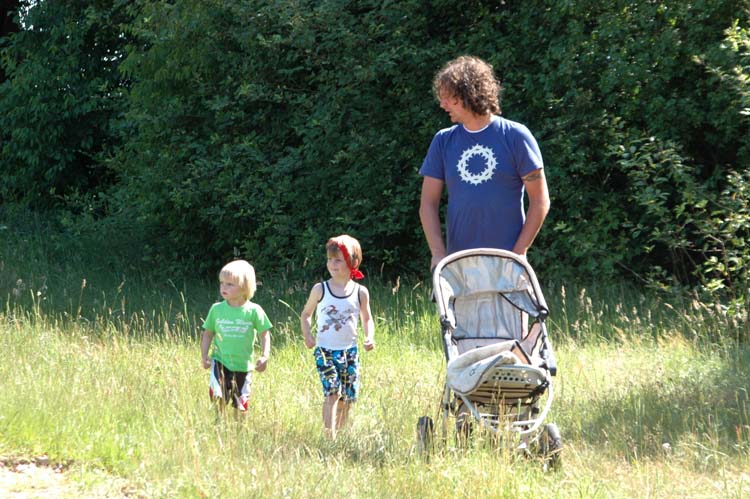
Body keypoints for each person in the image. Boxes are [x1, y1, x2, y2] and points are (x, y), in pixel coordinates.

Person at [419, 55, 550, 269]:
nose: (442, 104)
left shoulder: (516, 136)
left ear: (469, 94)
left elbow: (540, 201)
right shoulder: (443, 141)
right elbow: (428, 203)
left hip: (507, 264)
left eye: (449, 98)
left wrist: (519, 254)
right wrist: (438, 254)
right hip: (459, 264)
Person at [300, 235, 375, 438]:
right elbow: (306, 314)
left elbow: (367, 318)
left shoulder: (360, 292)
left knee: (346, 398)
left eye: (338, 260)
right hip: (325, 350)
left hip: (350, 352)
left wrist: (369, 337)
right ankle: (329, 438)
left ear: (353, 263)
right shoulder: (320, 289)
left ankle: (340, 436)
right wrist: (307, 334)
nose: (332, 264)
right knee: (332, 392)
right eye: (330, 259)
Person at [201, 259, 272, 414]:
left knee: (240, 406)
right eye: (222, 283)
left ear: (244, 287)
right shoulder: (216, 309)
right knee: (218, 397)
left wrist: (264, 356)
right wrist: (204, 355)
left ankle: (238, 427)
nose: (223, 287)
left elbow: (264, 334)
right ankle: (219, 423)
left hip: (244, 366)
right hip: (220, 361)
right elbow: (207, 334)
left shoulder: (254, 311)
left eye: (229, 284)